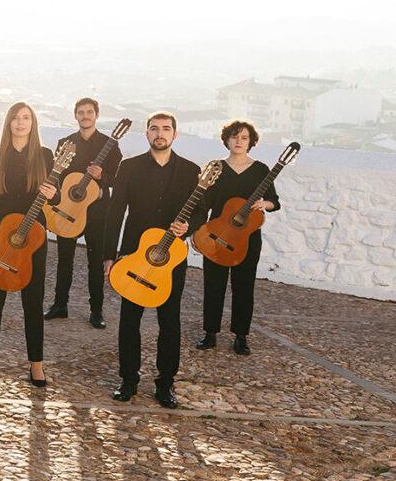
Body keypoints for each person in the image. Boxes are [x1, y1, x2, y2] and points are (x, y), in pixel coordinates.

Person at [105, 112, 201, 409]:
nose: (160, 133)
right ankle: (128, 380)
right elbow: (115, 212)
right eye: (154, 129)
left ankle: (166, 383)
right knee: (129, 321)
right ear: (147, 134)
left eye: (166, 129)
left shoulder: (190, 170)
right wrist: (110, 255)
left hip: (171, 260)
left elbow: (201, 212)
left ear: (175, 134)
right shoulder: (129, 167)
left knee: (169, 321)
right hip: (135, 253)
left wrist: (190, 227)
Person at [0, 103, 57, 386]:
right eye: (15, 119)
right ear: (8, 123)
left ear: (33, 124)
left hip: (34, 233)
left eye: (26, 118)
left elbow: (55, 200)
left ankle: (36, 364)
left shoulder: (45, 155)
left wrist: (52, 193)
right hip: (0, 230)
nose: (20, 123)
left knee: (33, 300)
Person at [195, 119, 281, 356]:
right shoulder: (217, 168)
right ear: (227, 140)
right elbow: (205, 204)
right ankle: (210, 333)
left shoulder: (261, 170)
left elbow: (275, 201)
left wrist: (266, 203)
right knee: (213, 285)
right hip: (216, 235)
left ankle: (241, 336)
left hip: (247, 237)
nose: (239, 141)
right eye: (234, 137)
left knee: (244, 286)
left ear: (251, 141)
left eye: (244, 137)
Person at [46, 97, 121, 329]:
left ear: (97, 115)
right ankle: (60, 305)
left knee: (95, 262)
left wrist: (101, 177)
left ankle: (96, 311)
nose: (85, 116)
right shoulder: (65, 142)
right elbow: (56, 175)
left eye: (89, 112)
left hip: (97, 212)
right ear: (75, 115)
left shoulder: (110, 145)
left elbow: (117, 180)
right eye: (81, 112)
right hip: (68, 209)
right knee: (64, 260)